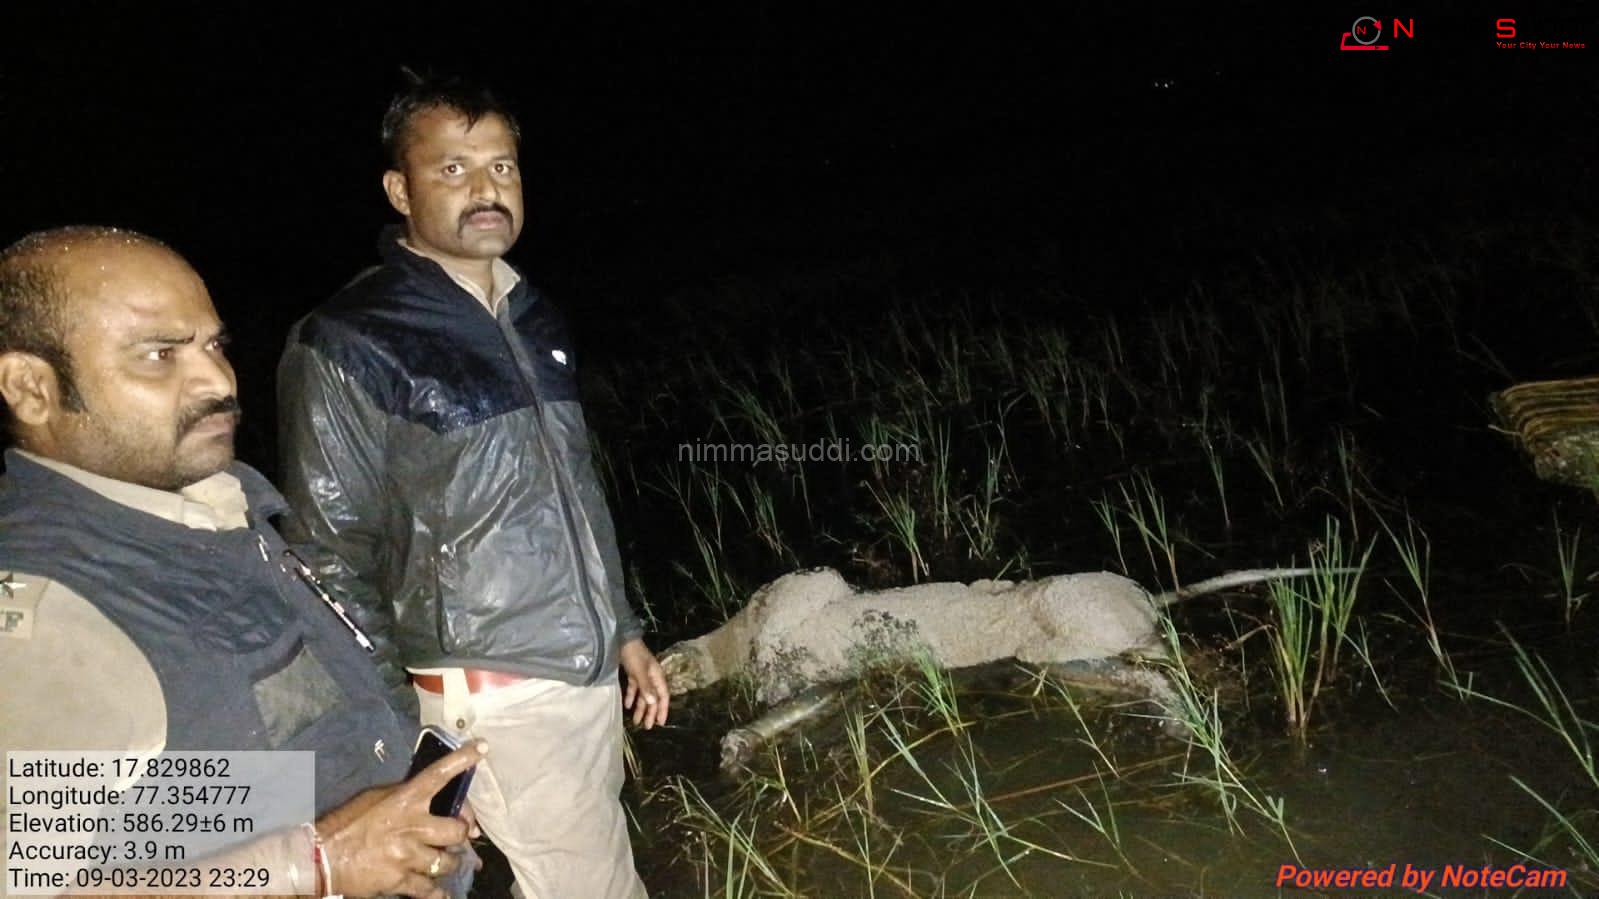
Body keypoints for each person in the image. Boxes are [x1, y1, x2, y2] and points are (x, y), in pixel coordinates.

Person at [0, 226, 482, 899]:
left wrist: (408, 783)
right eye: (159, 354)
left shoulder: (219, 516)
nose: (219, 380)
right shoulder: (43, 613)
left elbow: (229, 780)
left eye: (213, 345)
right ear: (31, 387)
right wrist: (314, 864)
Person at [276, 73, 668, 899]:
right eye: (453, 169)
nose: (486, 189)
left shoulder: (533, 312)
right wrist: (390, 727)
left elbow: (573, 489)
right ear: (399, 188)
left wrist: (622, 627)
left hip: (579, 666)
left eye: (502, 166)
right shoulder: (349, 339)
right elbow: (326, 555)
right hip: (495, 693)